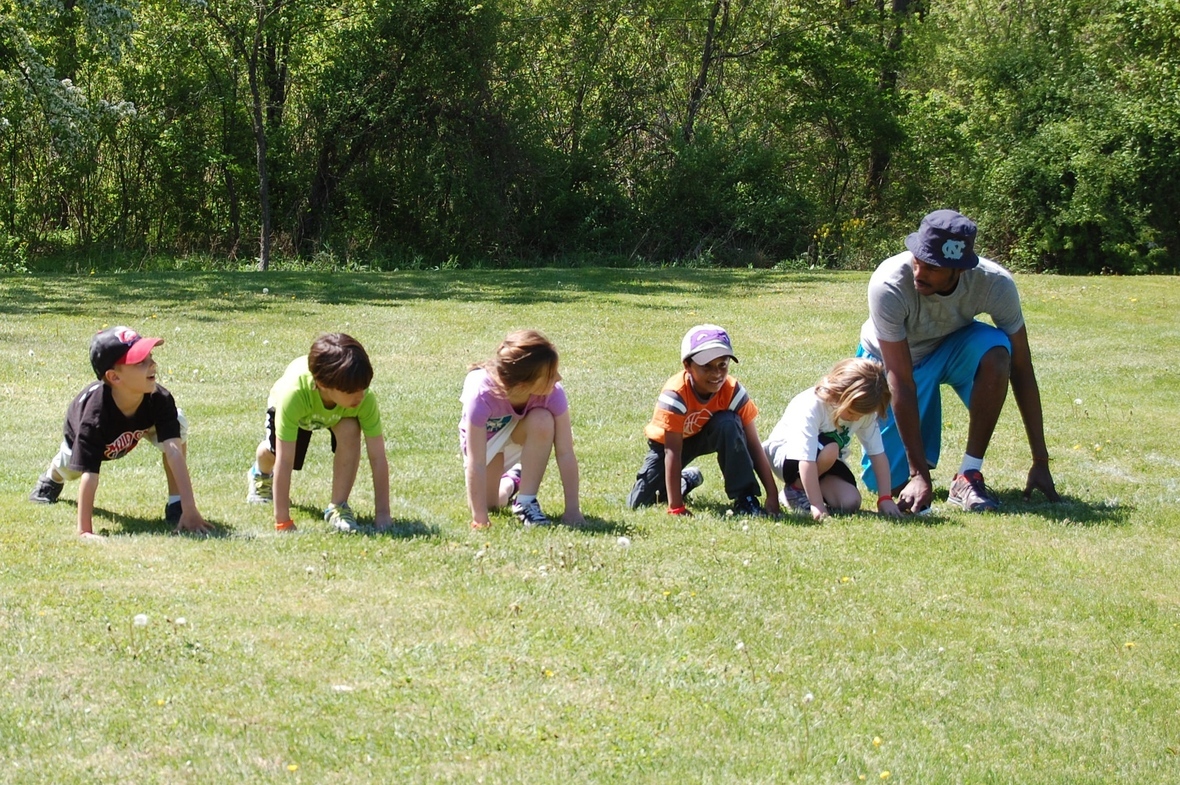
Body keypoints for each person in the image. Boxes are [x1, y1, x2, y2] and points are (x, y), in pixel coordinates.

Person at [858, 208, 1061, 513]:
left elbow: (1021, 365)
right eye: (918, 260)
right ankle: (915, 471)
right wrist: (918, 474)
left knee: (997, 351)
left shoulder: (994, 284)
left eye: (933, 267)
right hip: (893, 361)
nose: (919, 273)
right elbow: (900, 378)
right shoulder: (888, 283)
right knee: (888, 483)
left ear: (960, 270)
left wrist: (1041, 461)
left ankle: (968, 474)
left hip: (951, 347)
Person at [28, 326, 212, 538]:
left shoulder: (158, 398)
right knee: (69, 467)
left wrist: (189, 507)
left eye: (150, 356)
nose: (152, 364)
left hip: (141, 421)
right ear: (114, 377)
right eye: (140, 361)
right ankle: (51, 479)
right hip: (85, 432)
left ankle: (176, 505)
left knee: (178, 423)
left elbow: (173, 451)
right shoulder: (93, 419)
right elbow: (90, 476)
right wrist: (84, 531)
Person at [628, 324, 780, 517]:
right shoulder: (675, 395)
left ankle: (745, 498)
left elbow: (753, 445)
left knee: (729, 423)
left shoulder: (733, 392)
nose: (716, 373)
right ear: (687, 366)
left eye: (722, 365)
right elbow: (672, 450)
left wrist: (772, 495)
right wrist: (676, 507)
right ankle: (686, 480)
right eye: (706, 366)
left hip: (707, 433)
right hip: (669, 444)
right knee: (639, 502)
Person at [246, 333, 392, 533]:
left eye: (364, 387)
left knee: (350, 429)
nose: (361, 395)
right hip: (298, 413)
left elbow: (378, 458)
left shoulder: (363, 398)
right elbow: (285, 460)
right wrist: (283, 521)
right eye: (352, 391)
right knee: (274, 454)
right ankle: (260, 473)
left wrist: (383, 514)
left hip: (337, 412)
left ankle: (338, 507)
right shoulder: (293, 395)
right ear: (324, 385)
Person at [459, 329, 583, 529]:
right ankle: (511, 481)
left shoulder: (553, 392)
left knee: (542, 420)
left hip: (520, 435)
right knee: (493, 504)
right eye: (551, 375)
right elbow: (477, 461)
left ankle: (526, 502)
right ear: (524, 385)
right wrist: (480, 518)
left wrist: (573, 510)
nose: (558, 378)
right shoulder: (481, 393)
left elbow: (566, 452)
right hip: (487, 444)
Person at [763, 358, 903, 522]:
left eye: (861, 414)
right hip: (787, 457)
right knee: (830, 449)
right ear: (840, 393)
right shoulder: (812, 405)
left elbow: (877, 454)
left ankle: (798, 492)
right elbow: (805, 459)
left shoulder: (863, 413)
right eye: (852, 413)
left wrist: (885, 498)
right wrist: (817, 505)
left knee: (850, 501)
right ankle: (796, 489)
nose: (856, 418)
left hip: (824, 461)